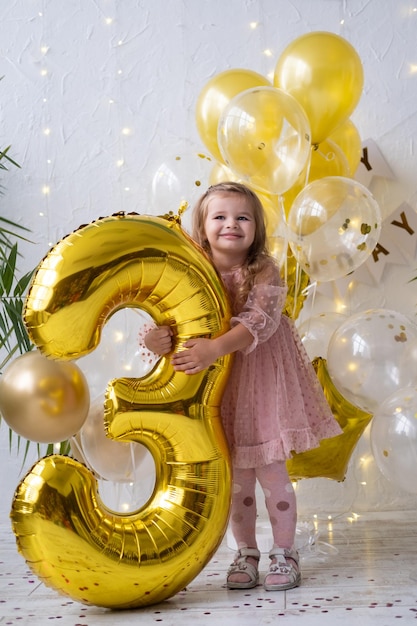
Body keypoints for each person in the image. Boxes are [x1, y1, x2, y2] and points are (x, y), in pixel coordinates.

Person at [143, 182, 342, 591]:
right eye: (219, 216)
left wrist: (216, 346)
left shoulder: (264, 269)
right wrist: (155, 339)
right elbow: (164, 313)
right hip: (220, 384)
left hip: (262, 377)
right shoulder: (189, 268)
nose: (230, 224)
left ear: (256, 227)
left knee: (270, 469)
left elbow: (258, 322)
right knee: (235, 477)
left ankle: (284, 552)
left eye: (242, 217)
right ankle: (246, 551)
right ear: (202, 225)